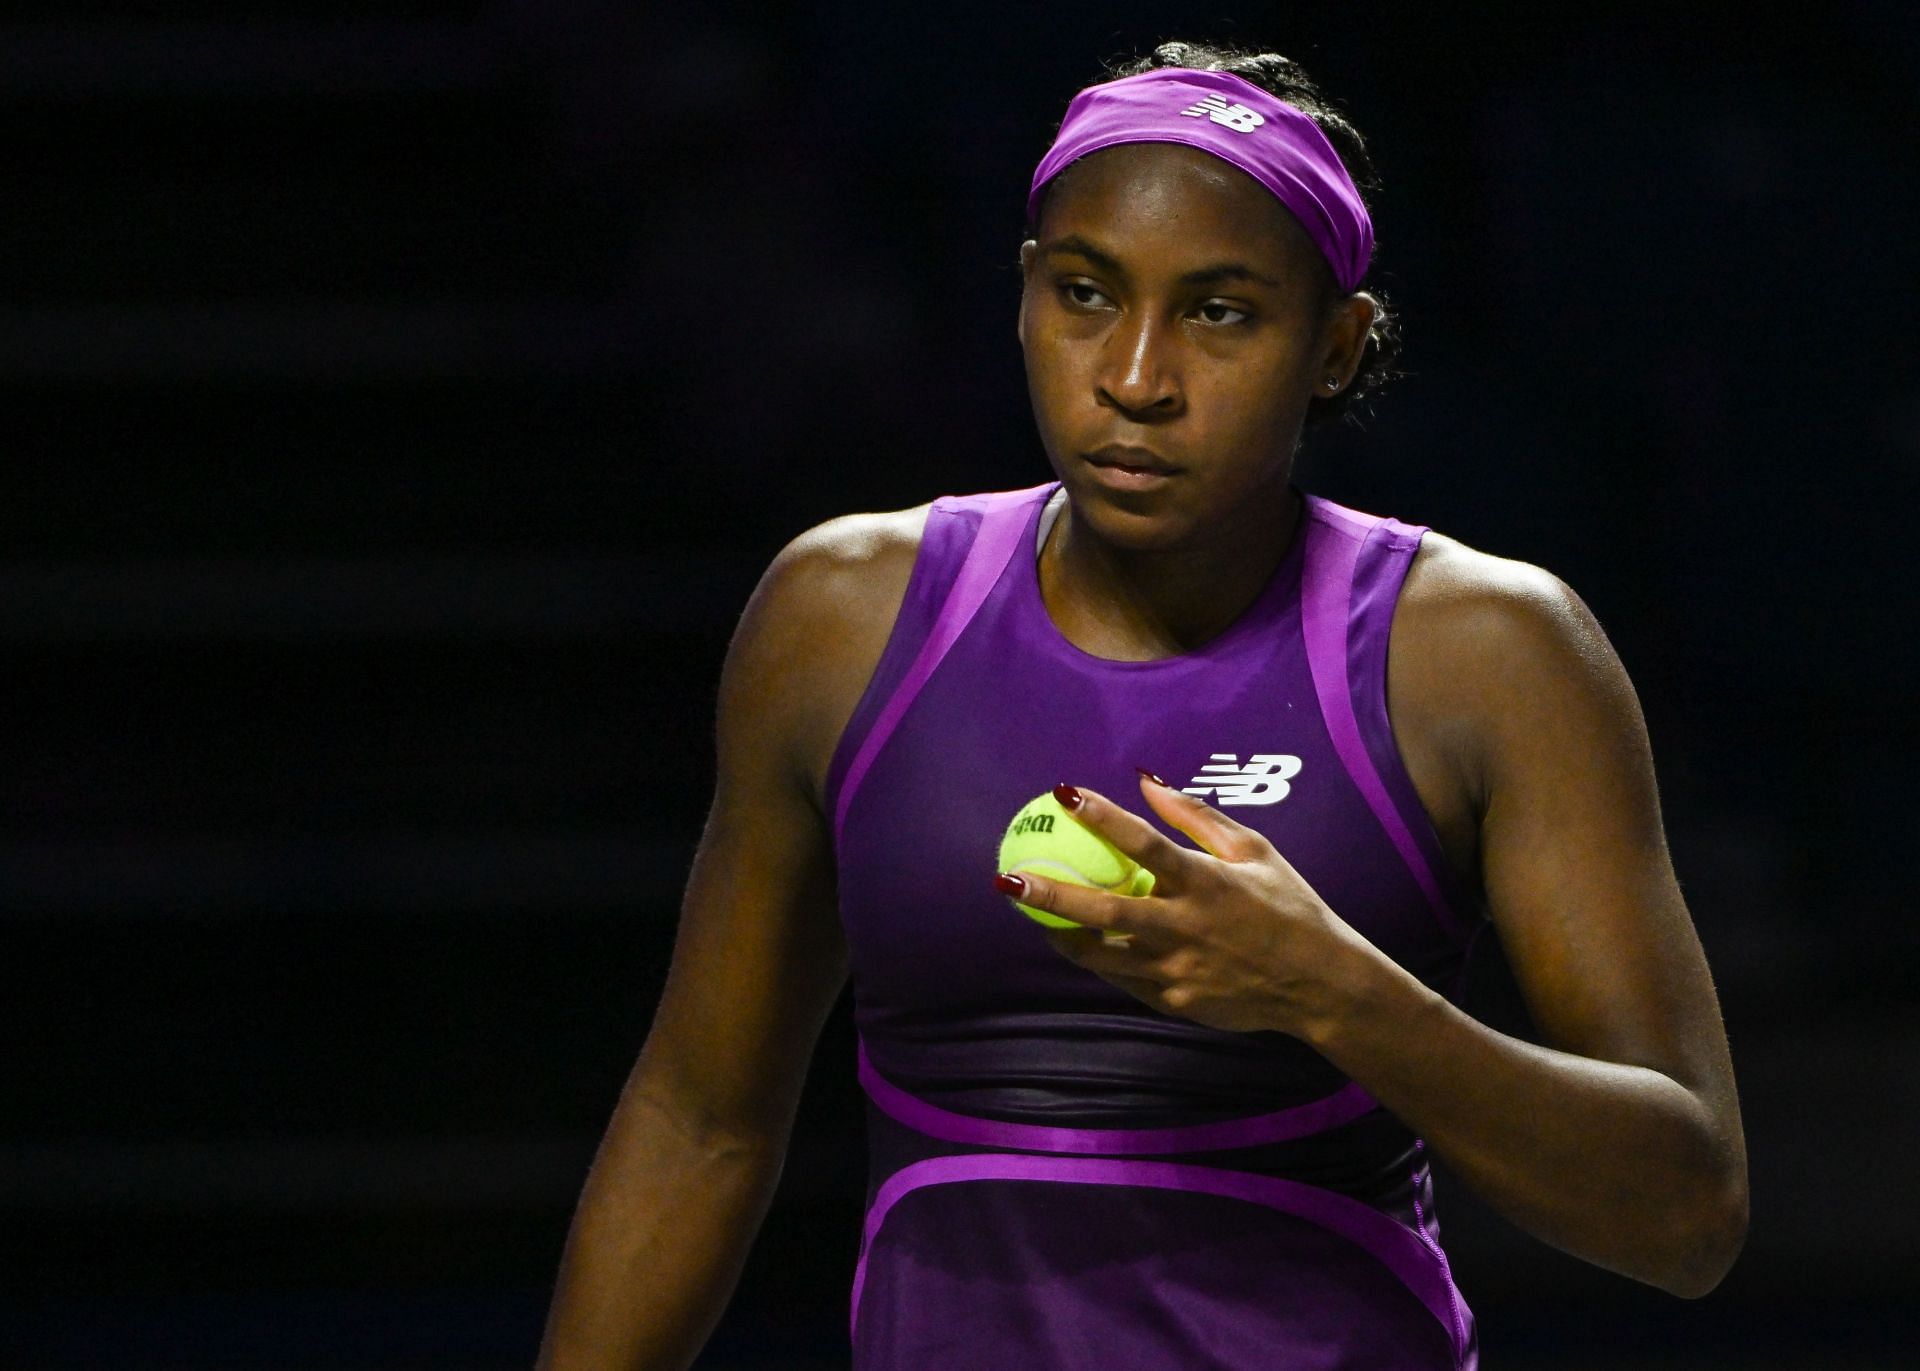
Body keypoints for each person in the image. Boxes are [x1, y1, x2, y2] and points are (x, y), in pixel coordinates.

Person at [535, 41, 1748, 1371]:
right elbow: (699, 1126)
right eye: (1084, 294)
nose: (1134, 377)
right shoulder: (840, 617)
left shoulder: (1487, 652)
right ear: (1021, 296)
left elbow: (1686, 1215)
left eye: (1220, 312)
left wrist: (1337, 995)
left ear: (1335, 347)